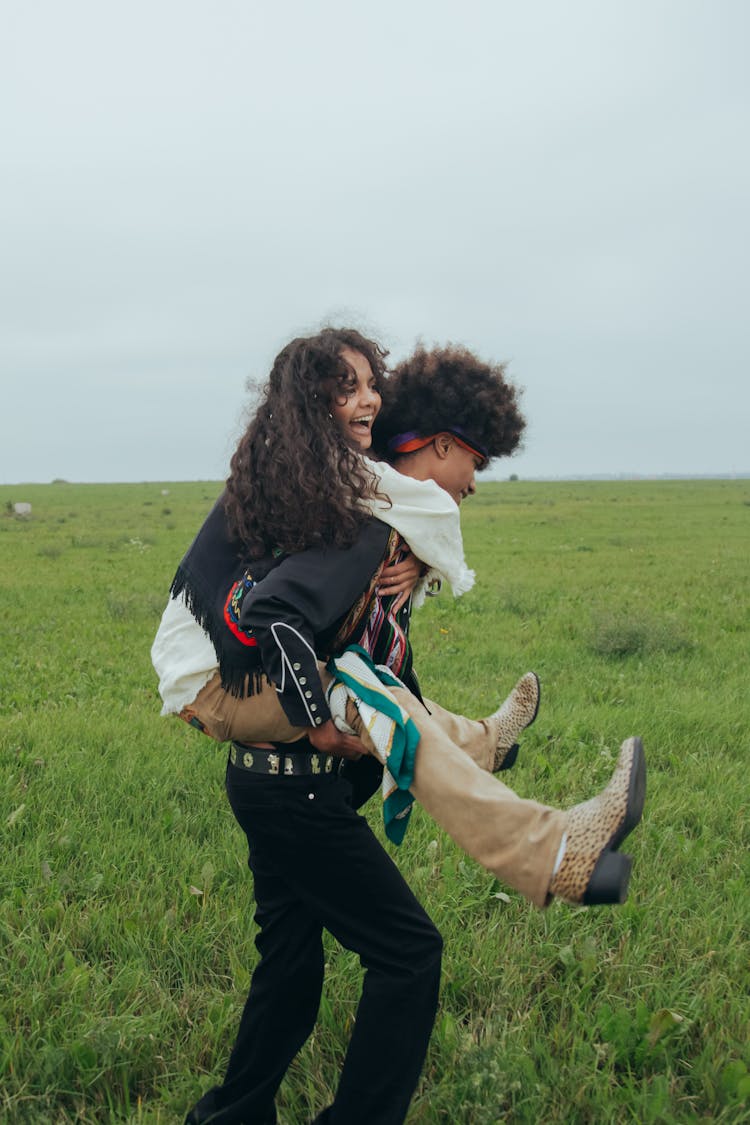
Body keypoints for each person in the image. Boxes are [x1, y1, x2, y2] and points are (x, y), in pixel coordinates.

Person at [155, 328, 645, 1125]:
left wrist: (409, 570)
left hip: (273, 780)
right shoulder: (363, 515)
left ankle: (227, 1118)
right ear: (440, 445)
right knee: (409, 948)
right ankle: (553, 847)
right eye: (474, 463)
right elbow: (279, 615)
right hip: (285, 771)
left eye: (369, 388)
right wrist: (318, 724)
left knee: (288, 969)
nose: (476, 485)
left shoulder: (348, 504)